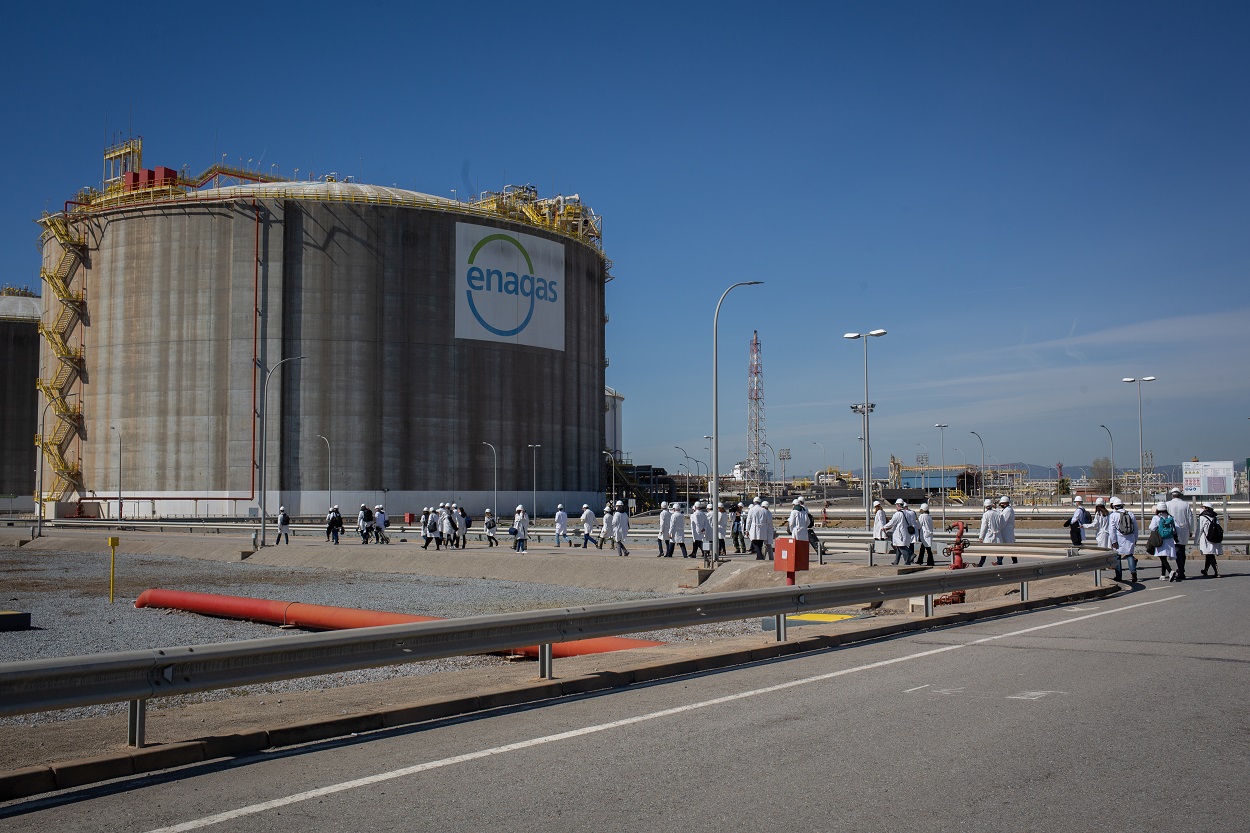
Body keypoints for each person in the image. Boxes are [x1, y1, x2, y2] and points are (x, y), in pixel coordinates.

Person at [1107, 497, 1138, 582]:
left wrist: (1113, 541)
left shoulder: (1113, 516)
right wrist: (1136, 539)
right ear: (1122, 505)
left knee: (1117, 557)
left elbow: (1112, 530)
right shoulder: (1130, 514)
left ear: (1114, 506)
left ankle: (1119, 576)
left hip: (1119, 538)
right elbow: (1135, 527)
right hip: (1130, 538)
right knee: (1130, 555)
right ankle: (1133, 572)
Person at [1165, 487, 1196, 570]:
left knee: (1176, 550)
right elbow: (1190, 518)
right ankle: (1181, 569)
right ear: (1180, 495)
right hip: (1184, 529)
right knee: (1182, 549)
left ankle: (1180, 570)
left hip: (1172, 530)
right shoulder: (1185, 504)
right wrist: (1191, 530)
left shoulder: (1167, 504)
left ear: (1172, 495)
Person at [1148, 502, 1180, 580]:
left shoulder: (1156, 518)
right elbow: (1177, 527)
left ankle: (1170, 571)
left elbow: (1151, 528)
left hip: (1160, 539)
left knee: (1162, 557)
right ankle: (1163, 575)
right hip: (1169, 540)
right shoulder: (1170, 517)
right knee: (1164, 557)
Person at [883, 498, 916, 566]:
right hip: (905, 532)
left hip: (899, 533)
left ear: (898, 505)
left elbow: (892, 522)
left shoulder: (897, 514)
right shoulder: (907, 513)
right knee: (899, 547)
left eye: (896, 505)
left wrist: (884, 527)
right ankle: (897, 561)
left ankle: (911, 555)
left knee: (902, 547)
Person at [1195, 502, 1222, 578]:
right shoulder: (1215, 517)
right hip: (1214, 538)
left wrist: (1196, 541)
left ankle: (1217, 572)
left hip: (1206, 539)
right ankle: (1205, 570)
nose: (1202, 509)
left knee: (1210, 555)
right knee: (1209, 554)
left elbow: (1199, 530)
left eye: (1203, 507)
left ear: (1206, 508)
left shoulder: (1202, 517)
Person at [974, 499, 1003, 567]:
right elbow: (1001, 523)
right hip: (998, 535)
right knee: (998, 551)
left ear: (985, 506)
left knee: (985, 551)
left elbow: (983, 527)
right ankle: (1000, 563)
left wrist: (981, 537)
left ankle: (980, 564)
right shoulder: (997, 513)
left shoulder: (986, 514)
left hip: (989, 535)